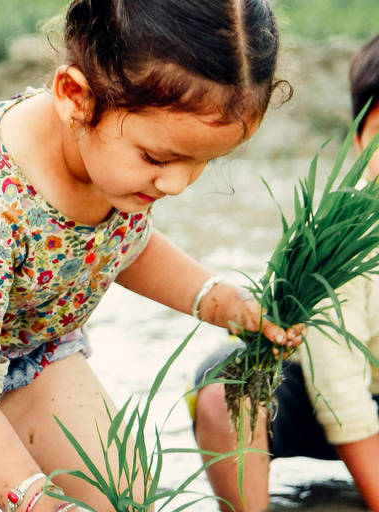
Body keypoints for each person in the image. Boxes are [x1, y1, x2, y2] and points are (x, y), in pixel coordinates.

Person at [0, 1, 301, 511]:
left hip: (24, 342)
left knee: (124, 499)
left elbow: (121, 245)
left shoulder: (113, 162)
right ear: (75, 96)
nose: (176, 183)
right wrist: (32, 498)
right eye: (158, 158)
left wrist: (218, 301)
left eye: (202, 162)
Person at [191, 32, 379, 512]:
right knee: (225, 382)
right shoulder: (343, 228)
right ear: (359, 141)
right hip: (336, 398)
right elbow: (336, 379)